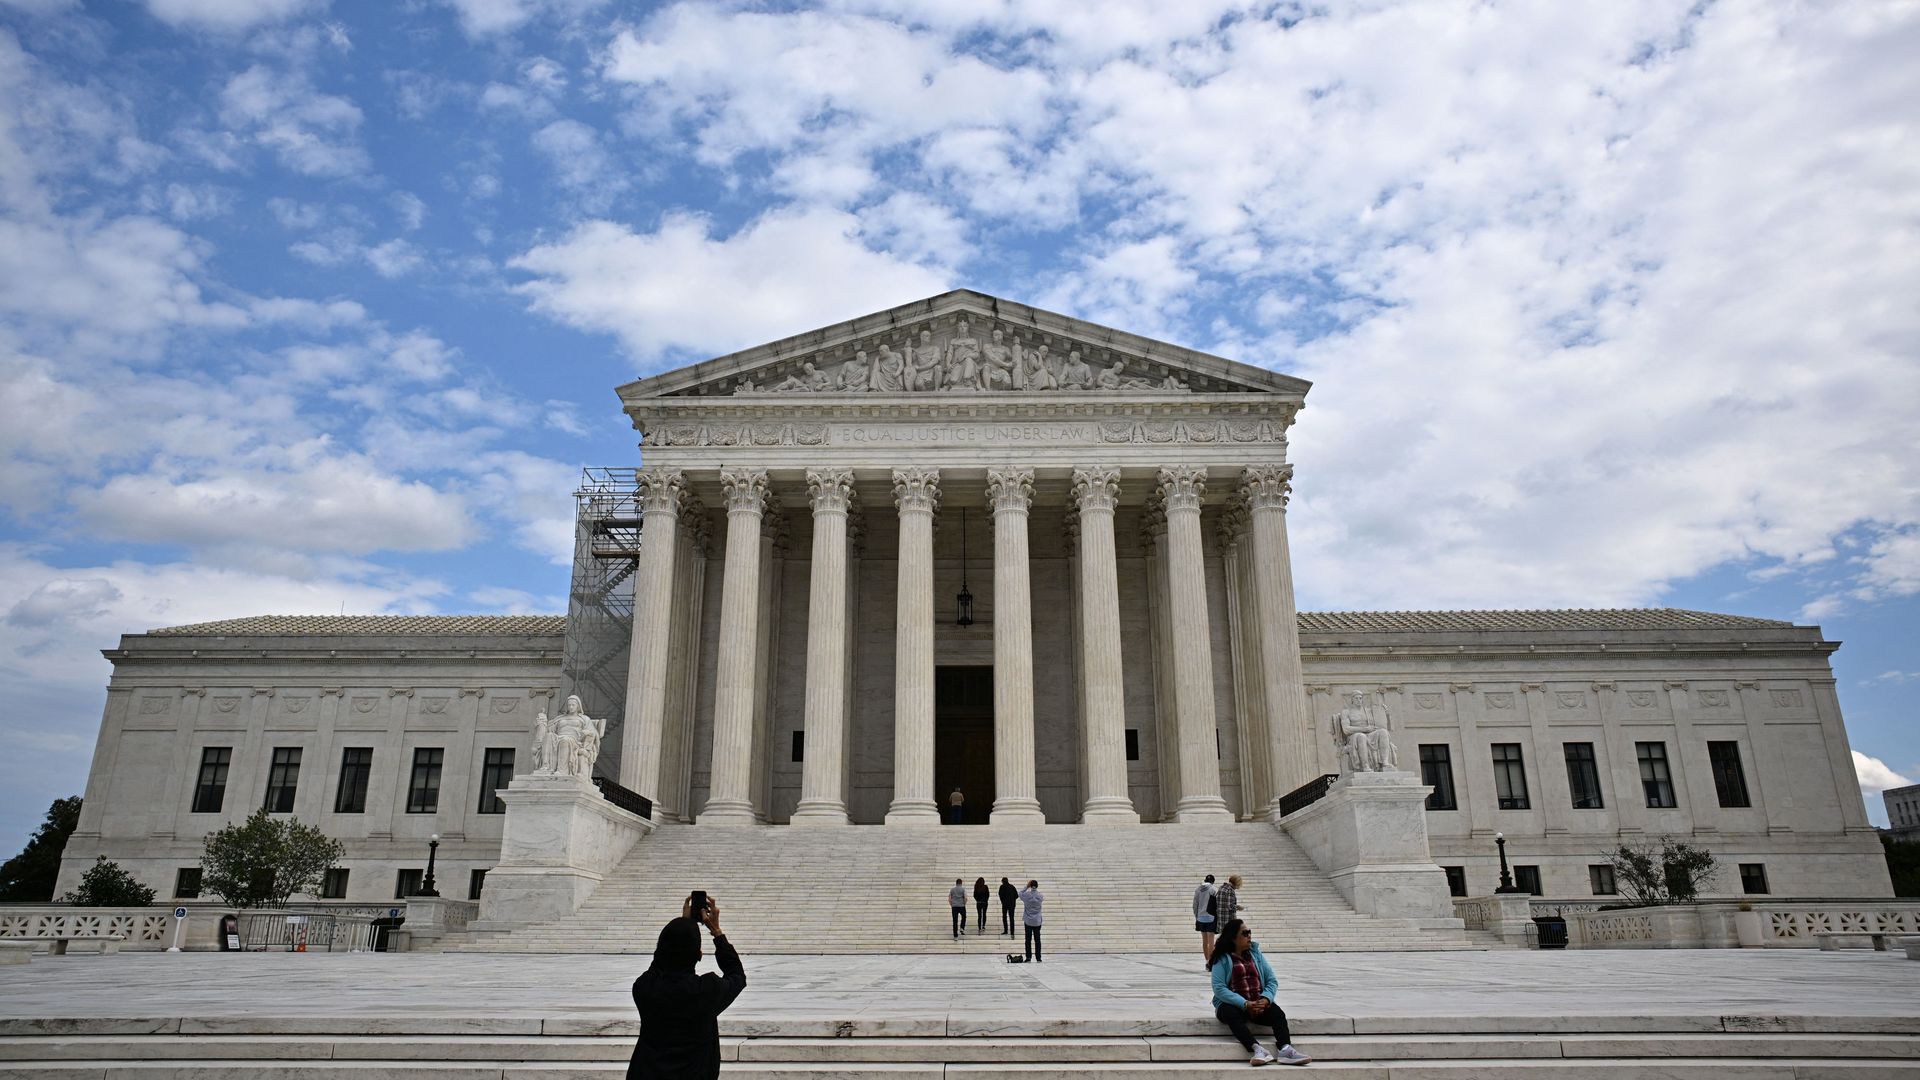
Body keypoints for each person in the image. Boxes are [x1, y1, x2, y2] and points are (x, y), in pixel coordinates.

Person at [628, 895, 746, 1080]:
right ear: (699, 955)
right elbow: (737, 976)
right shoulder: (706, 991)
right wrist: (716, 932)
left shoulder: (644, 988)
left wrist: (684, 924)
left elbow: (660, 961)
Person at [1209, 918, 1311, 1067]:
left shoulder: (1255, 954)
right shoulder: (1223, 959)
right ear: (1233, 938)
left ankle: (1285, 1049)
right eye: (1245, 933)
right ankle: (1257, 1049)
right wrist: (1244, 1004)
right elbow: (1219, 988)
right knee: (1230, 1013)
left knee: (1278, 1014)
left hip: (1257, 1003)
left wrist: (1266, 999)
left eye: (1249, 932)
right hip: (1235, 1005)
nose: (1249, 936)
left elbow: (1271, 980)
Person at [1194, 874, 1218, 966]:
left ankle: (1207, 961)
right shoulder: (1214, 889)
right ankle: (1211, 962)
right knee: (1211, 941)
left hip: (1200, 917)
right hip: (1211, 917)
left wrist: (1197, 916)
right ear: (1213, 881)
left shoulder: (1198, 889)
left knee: (1204, 941)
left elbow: (1195, 904)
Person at [1018, 879, 1044, 962]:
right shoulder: (1040, 896)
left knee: (1028, 940)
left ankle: (1028, 957)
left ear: (1030, 885)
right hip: (1037, 921)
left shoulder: (1026, 895)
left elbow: (1020, 893)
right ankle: (1038, 957)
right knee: (1037, 940)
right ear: (1037, 886)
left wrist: (1026, 886)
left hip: (1028, 920)